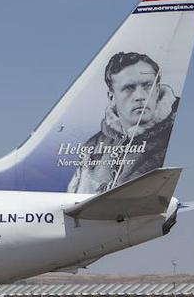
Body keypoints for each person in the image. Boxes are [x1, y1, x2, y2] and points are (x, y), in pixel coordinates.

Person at [67, 52, 179, 194]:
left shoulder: (171, 139)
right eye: (129, 88)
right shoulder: (93, 146)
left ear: (157, 90)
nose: (140, 96)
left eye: (147, 86)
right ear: (111, 96)